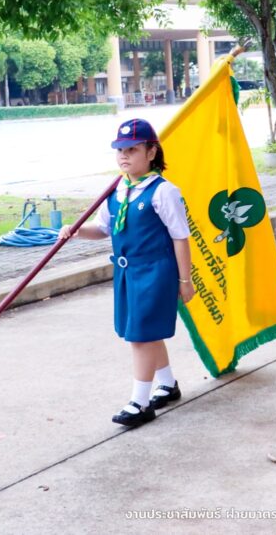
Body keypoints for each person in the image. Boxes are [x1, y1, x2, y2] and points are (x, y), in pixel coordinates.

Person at [58, 118, 194, 427]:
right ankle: (167, 384)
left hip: (155, 272)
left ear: (151, 152)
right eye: (120, 150)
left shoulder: (163, 191)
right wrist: (76, 231)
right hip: (126, 273)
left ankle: (140, 402)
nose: (124, 156)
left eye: (132, 150)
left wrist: (185, 280)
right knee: (145, 331)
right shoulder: (116, 190)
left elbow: (180, 237)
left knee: (141, 336)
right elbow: (104, 228)